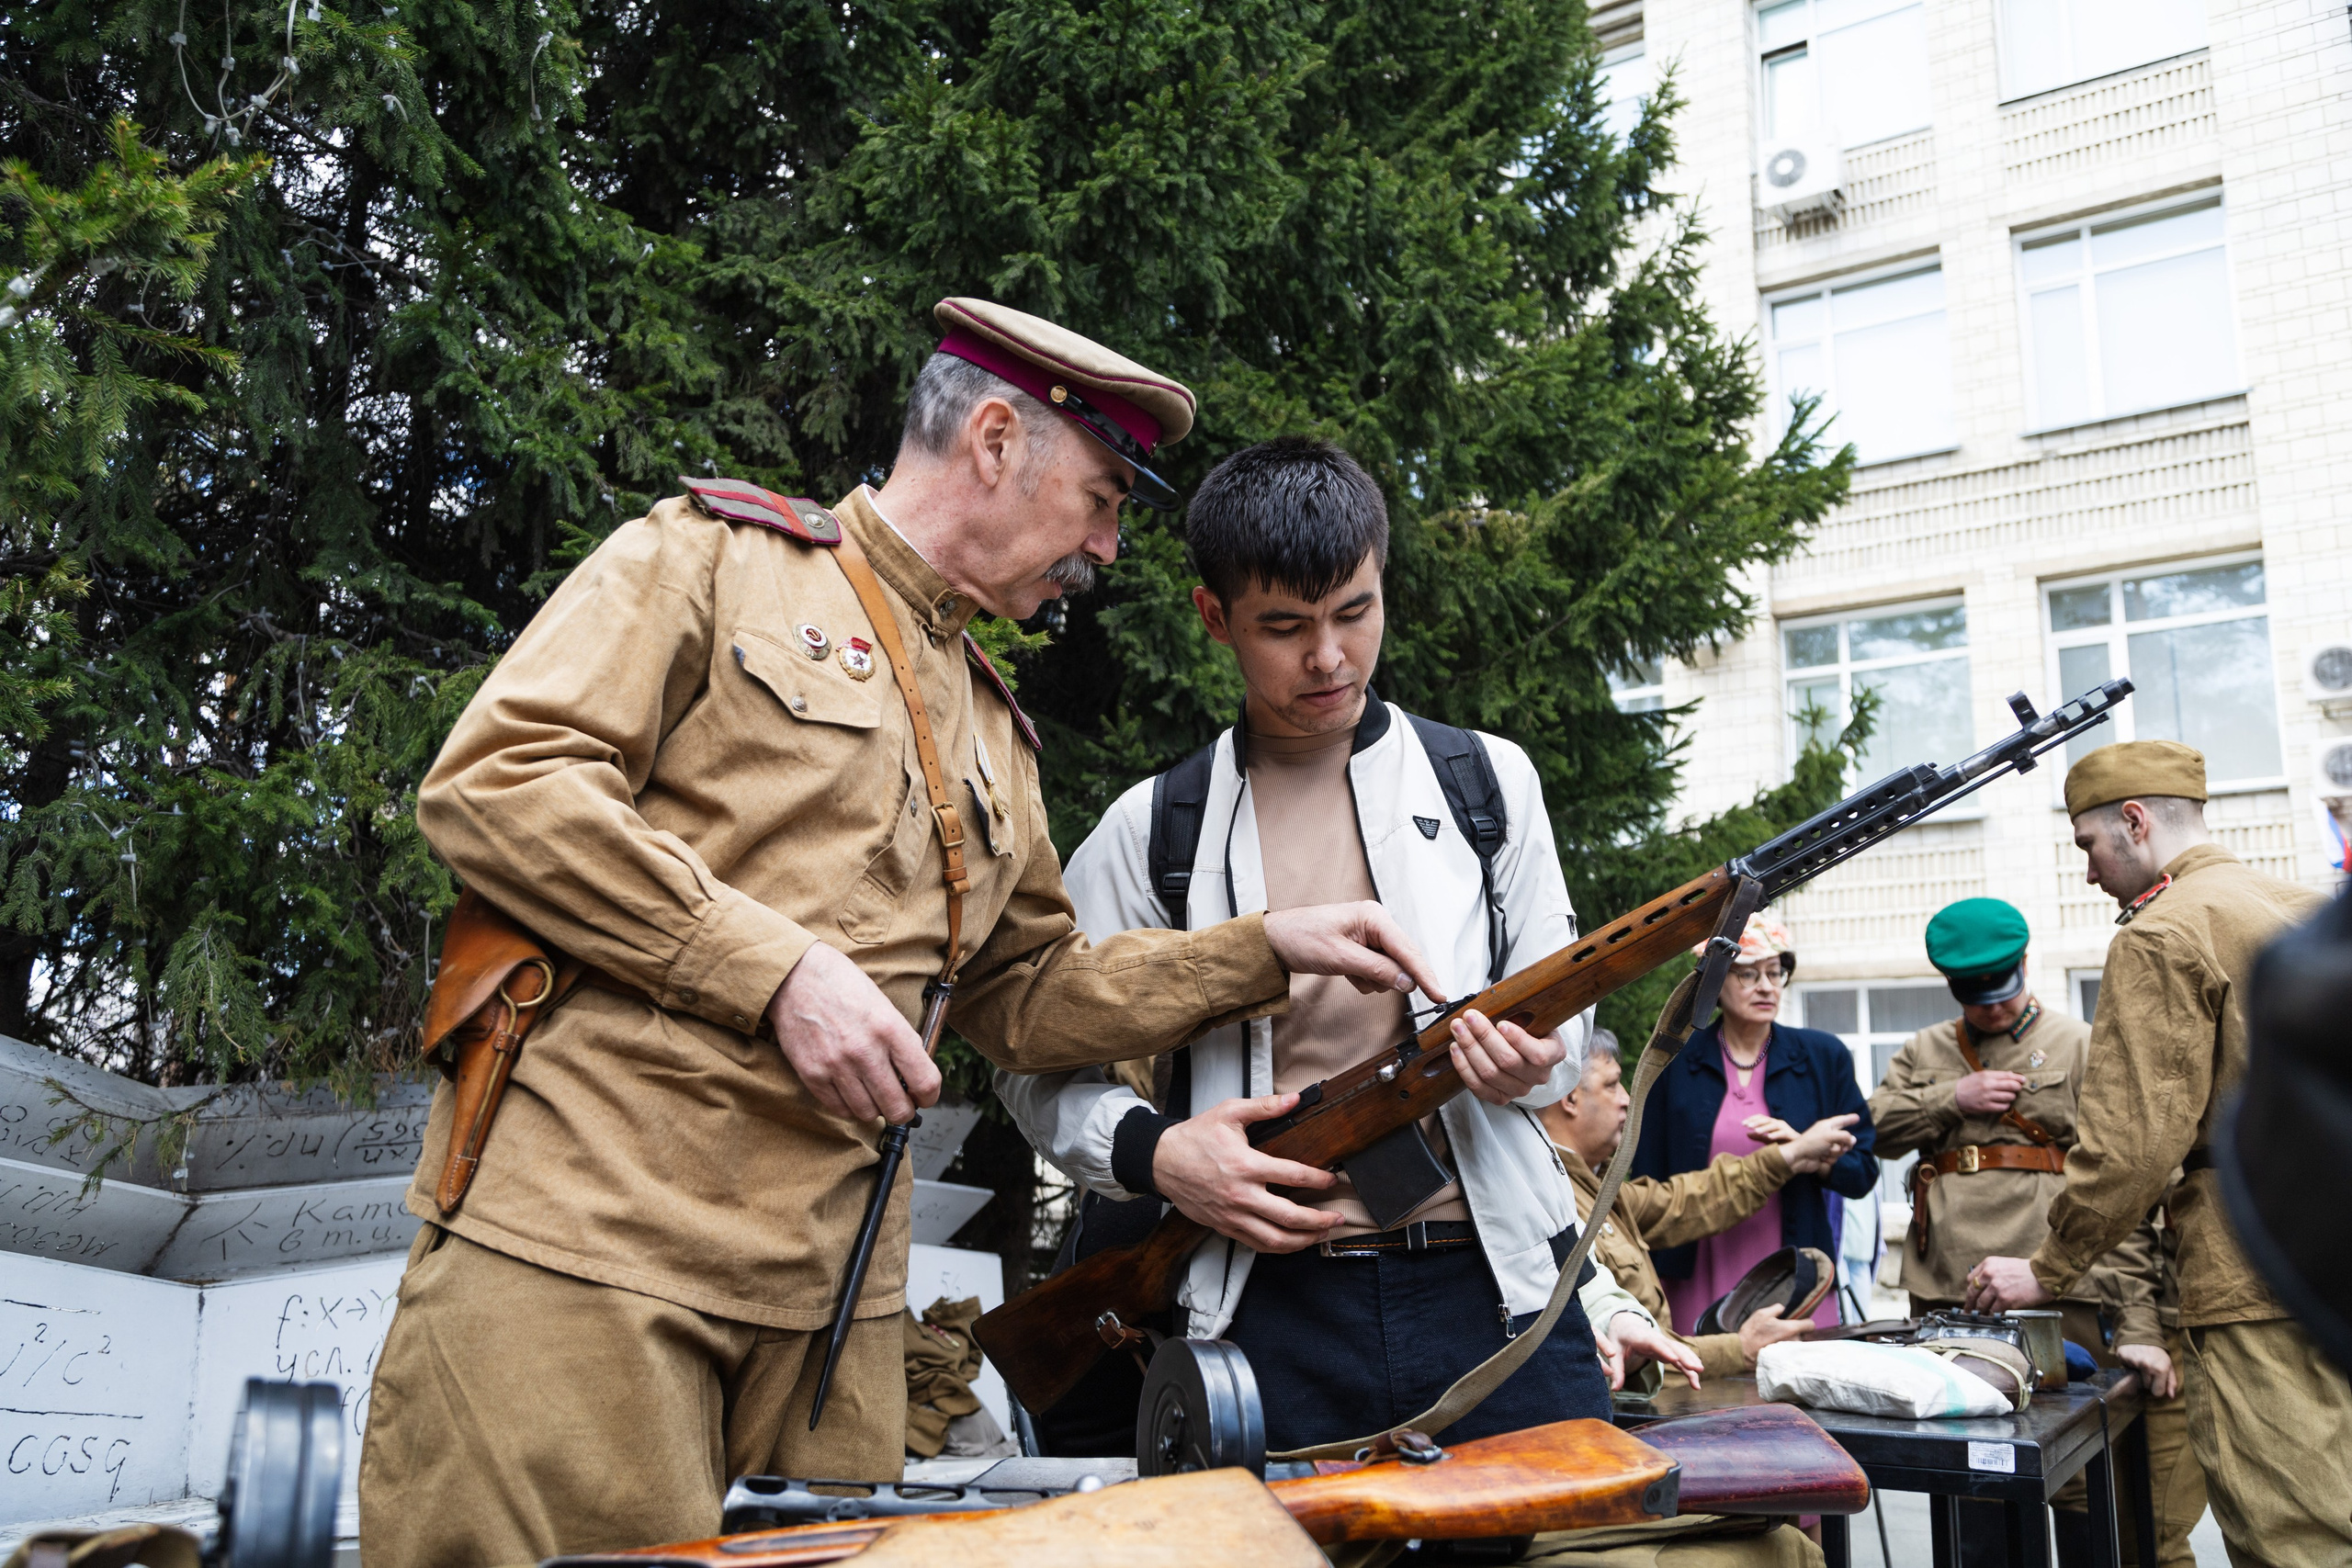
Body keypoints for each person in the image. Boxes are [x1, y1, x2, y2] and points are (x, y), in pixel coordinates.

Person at [358, 303, 1448, 1568]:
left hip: (831, 1313)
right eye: (1100, 499)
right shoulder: (716, 561)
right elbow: (502, 782)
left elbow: (1029, 991)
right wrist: (778, 973)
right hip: (597, 1255)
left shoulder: (992, 727)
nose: (1107, 546)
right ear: (994, 440)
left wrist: (1263, 948)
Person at [995, 438, 1698, 1456]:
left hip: (1497, 1290)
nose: (1327, 656)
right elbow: (1032, 1060)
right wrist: (1157, 1153)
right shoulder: (1153, 830)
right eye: (1284, 626)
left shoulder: (1489, 784)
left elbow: (1563, 1032)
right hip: (1259, 1310)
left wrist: (1536, 1064)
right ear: (1214, 617)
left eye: (1353, 612)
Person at [1966, 740, 2352, 1566]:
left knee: (2295, 1532)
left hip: (2250, 1273)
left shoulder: (2163, 931)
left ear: (2135, 822)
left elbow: (2132, 1144)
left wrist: (2051, 1266)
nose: (2089, 871)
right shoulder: (2300, 906)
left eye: (2088, 845)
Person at [1870, 897, 2168, 1566]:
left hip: (2056, 1284)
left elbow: (2118, 1181)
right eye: (1974, 996)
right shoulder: (1925, 1049)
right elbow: (1876, 1130)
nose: (1993, 1008)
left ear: (2025, 964)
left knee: (2080, 1471)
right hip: (1951, 1287)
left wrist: (2134, 1310)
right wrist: (1952, 1098)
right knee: (1970, 1470)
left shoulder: (2079, 1042)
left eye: (2002, 990)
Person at [1541, 1032, 1860, 1383]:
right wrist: (1740, 1349)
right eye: (1612, 1085)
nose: (1626, 1099)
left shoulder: (1595, 1190)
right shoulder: (1552, 1205)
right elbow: (1626, 1358)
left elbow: (1688, 1201)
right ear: (1569, 1097)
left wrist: (1790, 1155)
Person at [1630, 914, 1878, 1334]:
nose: (1766, 986)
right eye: (1748, 974)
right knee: (1704, 1370)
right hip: (1694, 1266)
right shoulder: (1673, 1061)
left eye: (1775, 972)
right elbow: (1647, 1180)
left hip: (1795, 1272)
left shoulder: (1824, 1057)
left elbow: (1862, 1173)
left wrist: (1808, 1152)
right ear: (1715, 982)